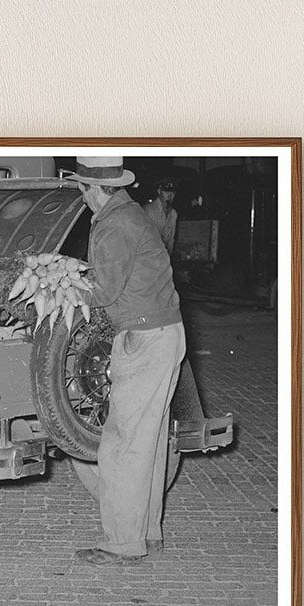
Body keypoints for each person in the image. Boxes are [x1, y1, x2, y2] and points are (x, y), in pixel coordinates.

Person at [69, 156, 185, 566]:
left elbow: (104, 291)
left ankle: (121, 543)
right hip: (166, 332)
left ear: (98, 189)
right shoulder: (132, 215)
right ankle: (147, 534)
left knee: (121, 443)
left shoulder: (114, 224)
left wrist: (64, 288)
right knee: (148, 442)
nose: (83, 199)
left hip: (142, 337)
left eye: (84, 190)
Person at [144, 178, 177, 254]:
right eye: (166, 192)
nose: (170, 195)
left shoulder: (173, 214)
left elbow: (171, 240)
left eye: (172, 192)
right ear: (159, 192)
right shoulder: (149, 210)